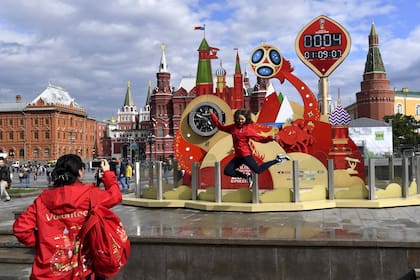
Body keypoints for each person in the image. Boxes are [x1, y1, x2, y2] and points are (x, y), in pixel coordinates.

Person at [13, 154, 122, 280]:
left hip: (48, 272)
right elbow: (115, 196)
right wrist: (107, 173)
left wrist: (44, 241)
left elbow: (21, 229)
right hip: (83, 270)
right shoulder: (91, 195)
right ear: (80, 173)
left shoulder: (42, 201)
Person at [210, 109, 290, 186]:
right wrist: (212, 115)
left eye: (242, 119)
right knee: (228, 171)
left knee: (257, 170)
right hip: (238, 156)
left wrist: (270, 138)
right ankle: (247, 176)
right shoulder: (233, 127)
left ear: (246, 119)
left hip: (246, 155)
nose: (240, 121)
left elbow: (259, 139)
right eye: (238, 119)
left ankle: (278, 159)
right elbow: (220, 127)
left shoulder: (248, 129)